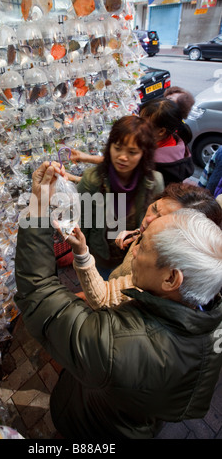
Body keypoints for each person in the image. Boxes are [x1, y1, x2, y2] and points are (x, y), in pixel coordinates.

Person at [14, 161, 222, 441]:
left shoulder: (119, 345)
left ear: (172, 279)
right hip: (138, 418)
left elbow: (38, 292)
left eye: (146, 246)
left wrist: (38, 208)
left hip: (94, 426)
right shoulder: (205, 309)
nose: (135, 249)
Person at [66, 182, 222, 309]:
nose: (148, 220)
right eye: (154, 208)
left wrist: (81, 253)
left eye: (162, 219)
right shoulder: (156, 237)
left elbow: (104, 297)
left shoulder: (159, 276)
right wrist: (137, 234)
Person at [77, 115, 164, 279]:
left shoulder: (154, 182)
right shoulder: (92, 180)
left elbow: (157, 224)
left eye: (132, 152)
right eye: (117, 148)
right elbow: (82, 224)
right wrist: (83, 256)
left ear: (143, 154)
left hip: (135, 259)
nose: (123, 157)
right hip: (101, 258)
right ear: (110, 147)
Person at [139, 97, 195, 186]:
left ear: (161, 131)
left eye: (142, 123)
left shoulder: (155, 165)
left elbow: (123, 189)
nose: (138, 125)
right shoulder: (176, 141)